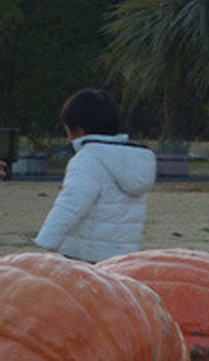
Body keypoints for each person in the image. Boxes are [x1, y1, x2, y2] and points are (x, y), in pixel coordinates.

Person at [35, 88, 157, 263]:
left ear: (78, 130)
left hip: (84, 254)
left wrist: (46, 241)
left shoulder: (87, 159)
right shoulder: (134, 159)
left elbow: (70, 205)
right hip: (123, 256)